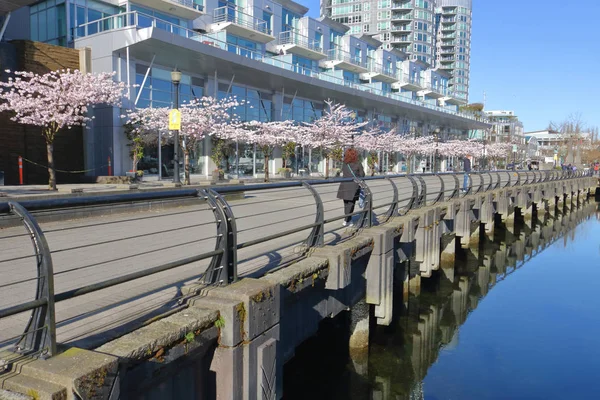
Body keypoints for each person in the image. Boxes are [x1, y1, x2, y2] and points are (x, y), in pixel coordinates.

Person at [337, 148, 365, 227]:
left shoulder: (345, 163)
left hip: (344, 185)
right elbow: (362, 174)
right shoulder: (358, 163)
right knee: (351, 204)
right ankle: (347, 220)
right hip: (354, 185)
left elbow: (344, 172)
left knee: (346, 203)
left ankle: (347, 219)